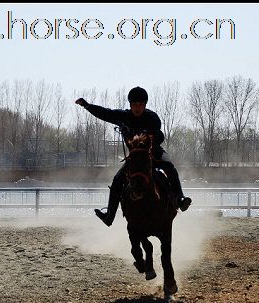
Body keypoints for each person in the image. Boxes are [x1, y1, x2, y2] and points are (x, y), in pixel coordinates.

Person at [75, 86, 192, 226]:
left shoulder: (152, 118)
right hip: (136, 159)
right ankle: (109, 216)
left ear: (145, 105)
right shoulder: (123, 117)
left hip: (154, 152)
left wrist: (139, 135)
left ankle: (180, 199)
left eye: (141, 104)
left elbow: (158, 136)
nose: (138, 107)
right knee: (117, 180)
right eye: (135, 104)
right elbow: (105, 113)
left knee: (169, 167)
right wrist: (87, 105)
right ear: (130, 105)